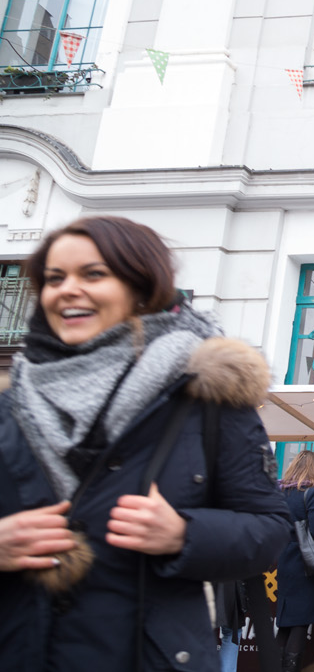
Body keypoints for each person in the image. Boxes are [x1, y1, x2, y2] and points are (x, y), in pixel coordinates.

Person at [0, 215, 291, 671]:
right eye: (55, 278)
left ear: (141, 286)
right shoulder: (11, 402)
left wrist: (183, 534)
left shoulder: (205, 396)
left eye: (93, 274)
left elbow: (270, 530)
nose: (67, 289)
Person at [276, 450, 314, 672]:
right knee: (300, 624)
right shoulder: (312, 493)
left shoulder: (281, 492)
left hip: (285, 561)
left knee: (285, 624)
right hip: (305, 567)